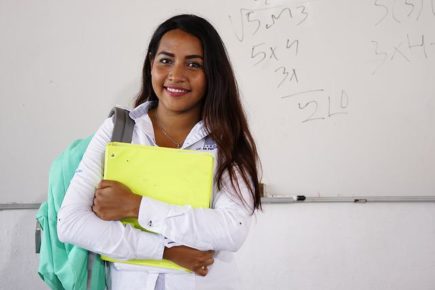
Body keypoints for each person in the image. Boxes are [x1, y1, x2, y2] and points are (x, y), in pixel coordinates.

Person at [57, 14, 261, 290]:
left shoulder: (228, 140)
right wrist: (166, 251)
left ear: (212, 72)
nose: (176, 75)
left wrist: (135, 206)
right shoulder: (119, 130)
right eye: (165, 60)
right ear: (151, 62)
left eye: (193, 64)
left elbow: (230, 229)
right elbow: (71, 223)